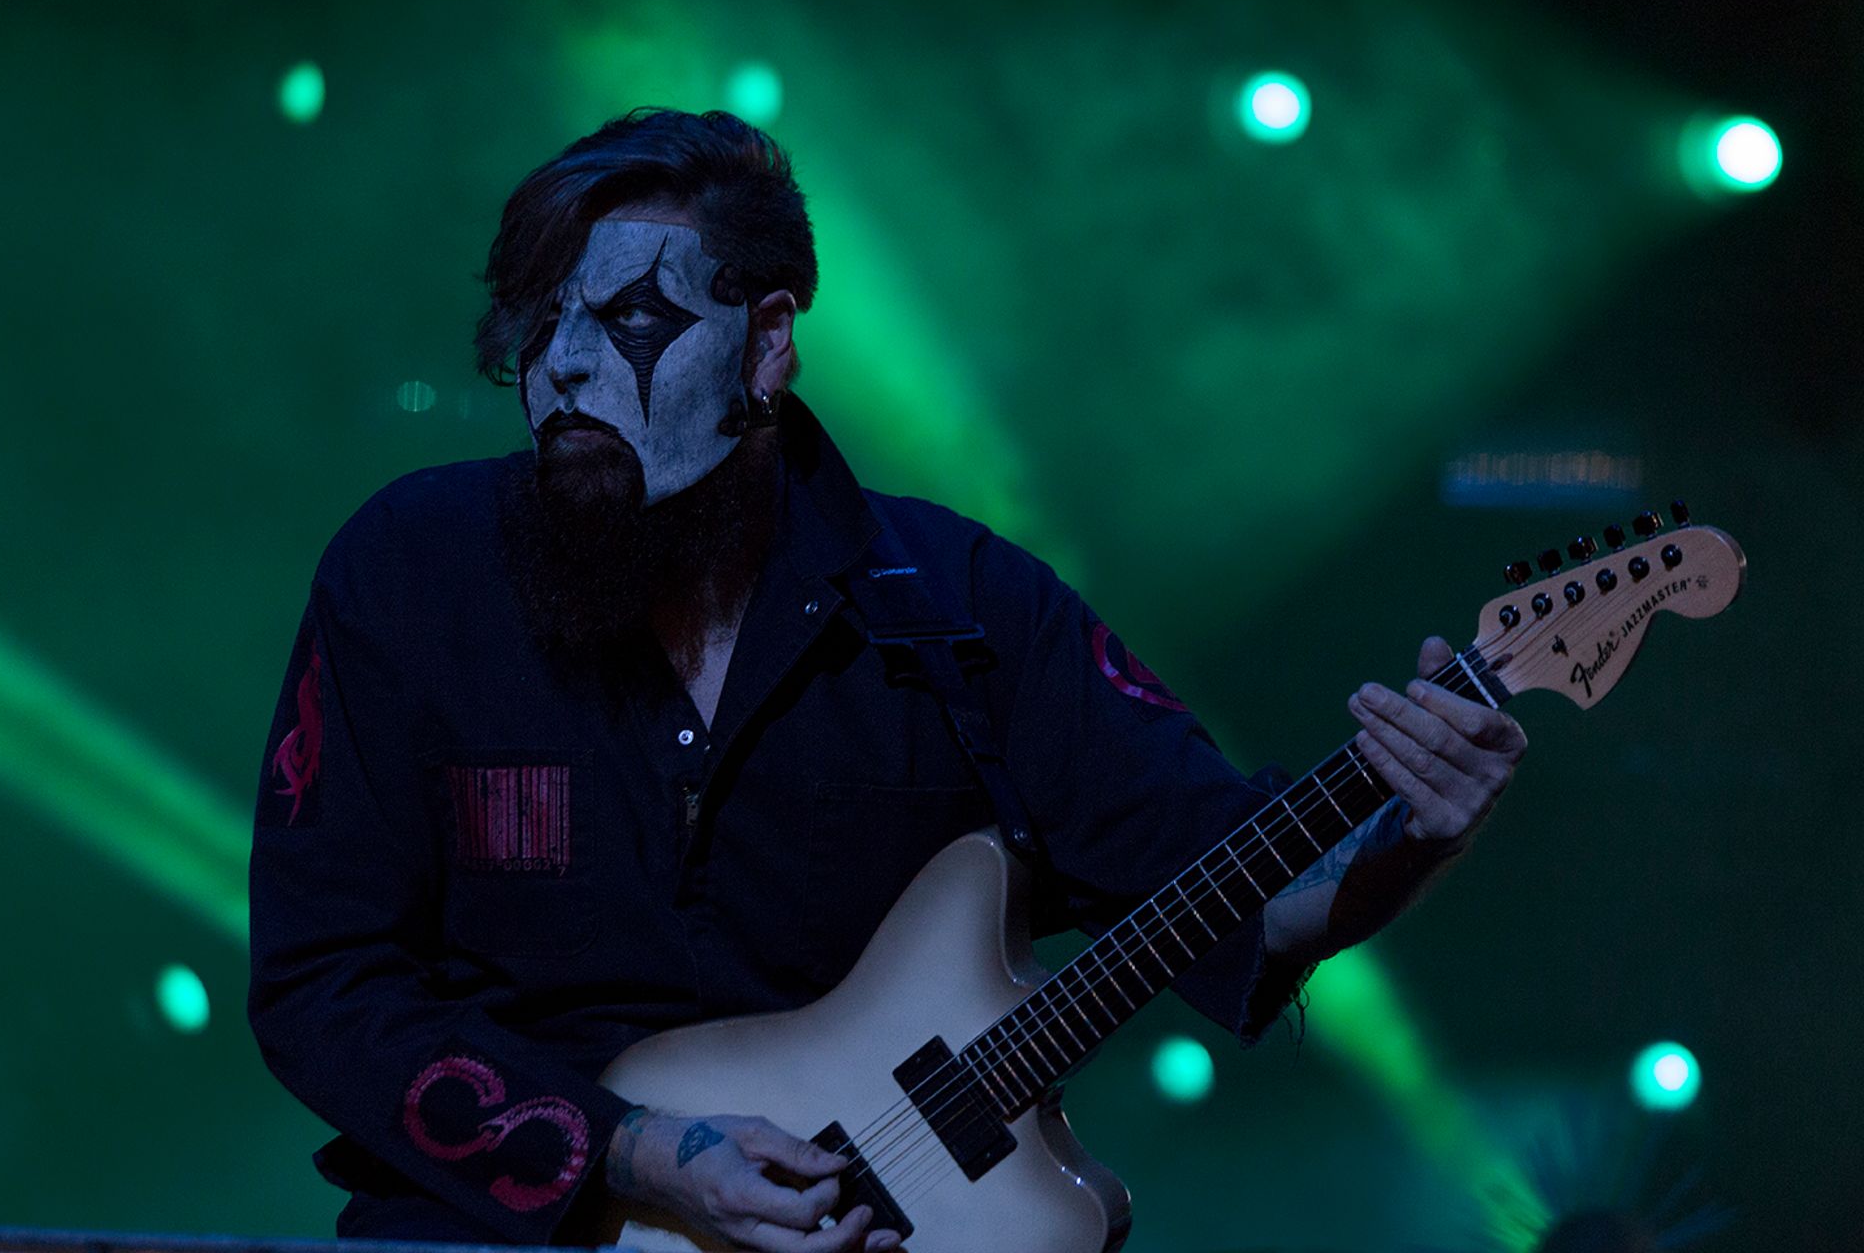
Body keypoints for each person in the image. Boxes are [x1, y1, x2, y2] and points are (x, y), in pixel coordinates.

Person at [247, 108, 1526, 1253]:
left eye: (631, 316)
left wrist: (1410, 830)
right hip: (494, 1236)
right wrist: (638, 1153)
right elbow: (319, 986)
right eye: (542, 322)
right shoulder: (410, 572)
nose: (565, 365)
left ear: (766, 345)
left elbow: (1236, 883)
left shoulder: (967, 606)